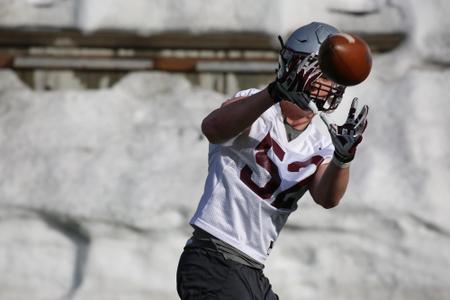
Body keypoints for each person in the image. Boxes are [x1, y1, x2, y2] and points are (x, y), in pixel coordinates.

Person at [176, 22, 369, 300]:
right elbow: (213, 129)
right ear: (297, 68)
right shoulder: (255, 106)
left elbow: (327, 198)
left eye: (334, 76)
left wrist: (343, 159)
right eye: (324, 73)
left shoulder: (321, 140)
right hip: (213, 256)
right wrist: (274, 92)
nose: (330, 83)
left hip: (251, 268)